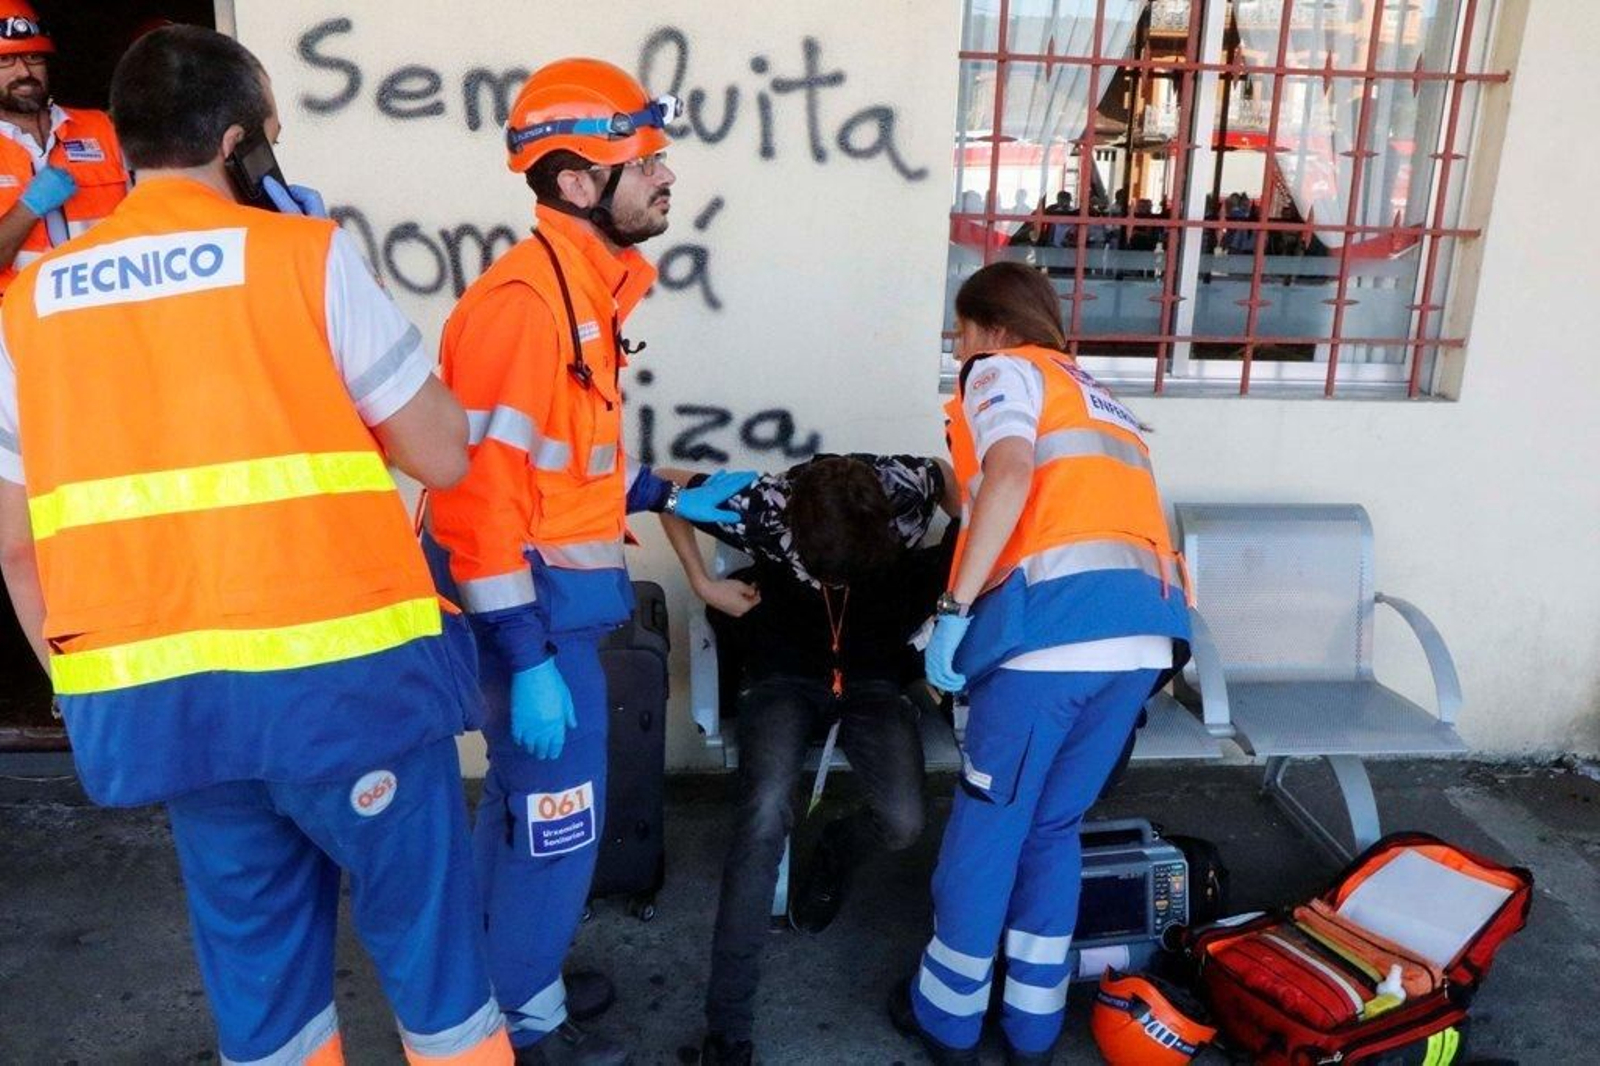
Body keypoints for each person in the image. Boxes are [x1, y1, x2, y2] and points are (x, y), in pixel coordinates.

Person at [0, 26, 512, 1065]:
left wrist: (91, 686)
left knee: (266, 1001)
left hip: (178, 718)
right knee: (439, 984)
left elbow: (18, 548)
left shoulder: (33, 305)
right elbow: (443, 453)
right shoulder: (302, 257)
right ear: (242, 144)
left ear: (125, 142)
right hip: (350, 697)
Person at [423, 57, 753, 1065]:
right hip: (524, 618)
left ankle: (499, 988)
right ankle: (523, 1030)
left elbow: (557, 466)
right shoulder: (526, 306)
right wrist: (525, 656)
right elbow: (479, 497)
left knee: (523, 812)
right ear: (575, 181)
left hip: (543, 607)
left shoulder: (580, 293)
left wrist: (659, 491)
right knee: (556, 826)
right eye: (645, 161)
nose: (666, 175)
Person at [888, 262, 1191, 1065]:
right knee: (1052, 827)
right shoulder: (1094, 393)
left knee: (990, 825)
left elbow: (1013, 473)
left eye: (961, 334)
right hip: (1143, 637)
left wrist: (953, 609)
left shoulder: (1003, 371)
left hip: (1052, 643)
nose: (960, 352)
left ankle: (948, 1017)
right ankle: (1033, 1024)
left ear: (992, 326)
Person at [662, 454, 960, 1066]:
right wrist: (702, 582)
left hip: (874, 676)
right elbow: (661, 487)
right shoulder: (762, 506)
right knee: (763, 817)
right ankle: (728, 1030)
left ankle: (836, 848)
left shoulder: (909, 491)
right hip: (783, 673)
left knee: (905, 821)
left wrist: (954, 599)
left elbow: (961, 489)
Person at [0, 1, 128, 297]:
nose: (24, 71)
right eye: (5, 60)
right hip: (19, 317)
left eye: (33, 57)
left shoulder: (103, 128)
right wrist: (28, 208)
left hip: (105, 307)